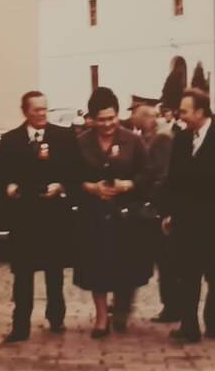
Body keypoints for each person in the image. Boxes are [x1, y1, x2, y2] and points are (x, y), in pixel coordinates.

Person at [159, 88, 215, 343]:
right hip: (187, 220)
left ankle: (212, 322)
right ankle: (189, 325)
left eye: (185, 111)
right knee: (187, 273)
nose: (181, 116)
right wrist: (168, 212)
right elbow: (173, 181)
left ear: (200, 112)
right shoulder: (181, 140)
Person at [0, 90, 79, 343]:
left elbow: (76, 172)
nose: (41, 114)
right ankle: (20, 326)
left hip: (54, 217)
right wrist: (7, 186)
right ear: (25, 111)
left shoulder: (63, 137)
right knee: (23, 274)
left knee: (54, 271)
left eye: (44, 109)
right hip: (24, 217)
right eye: (36, 110)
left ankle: (56, 317)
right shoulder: (11, 140)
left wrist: (61, 186)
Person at [73, 87, 152, 338]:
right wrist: (90, 187)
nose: (107, 124)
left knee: (124, 266)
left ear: (118, 115)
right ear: (92, 119)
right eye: (101, 119)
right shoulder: (81, 142)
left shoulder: (133, 140)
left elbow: (148, 176)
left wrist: (129, 185)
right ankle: (101, 317)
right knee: (96, 268)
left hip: (125, 216)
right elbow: (70, 176)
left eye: (111, 118)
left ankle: (120, 309)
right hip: (94, 216)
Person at [129, 98, 178, 324]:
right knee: (149, 258)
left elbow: (162, 175)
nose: (134, 121)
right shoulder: (149, 137)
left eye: (137, 116)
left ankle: (173, 307)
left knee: (166, 261)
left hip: (158, 210)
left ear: (148, 117)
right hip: (149, 209)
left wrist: (153, 202)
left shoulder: (162, 138)